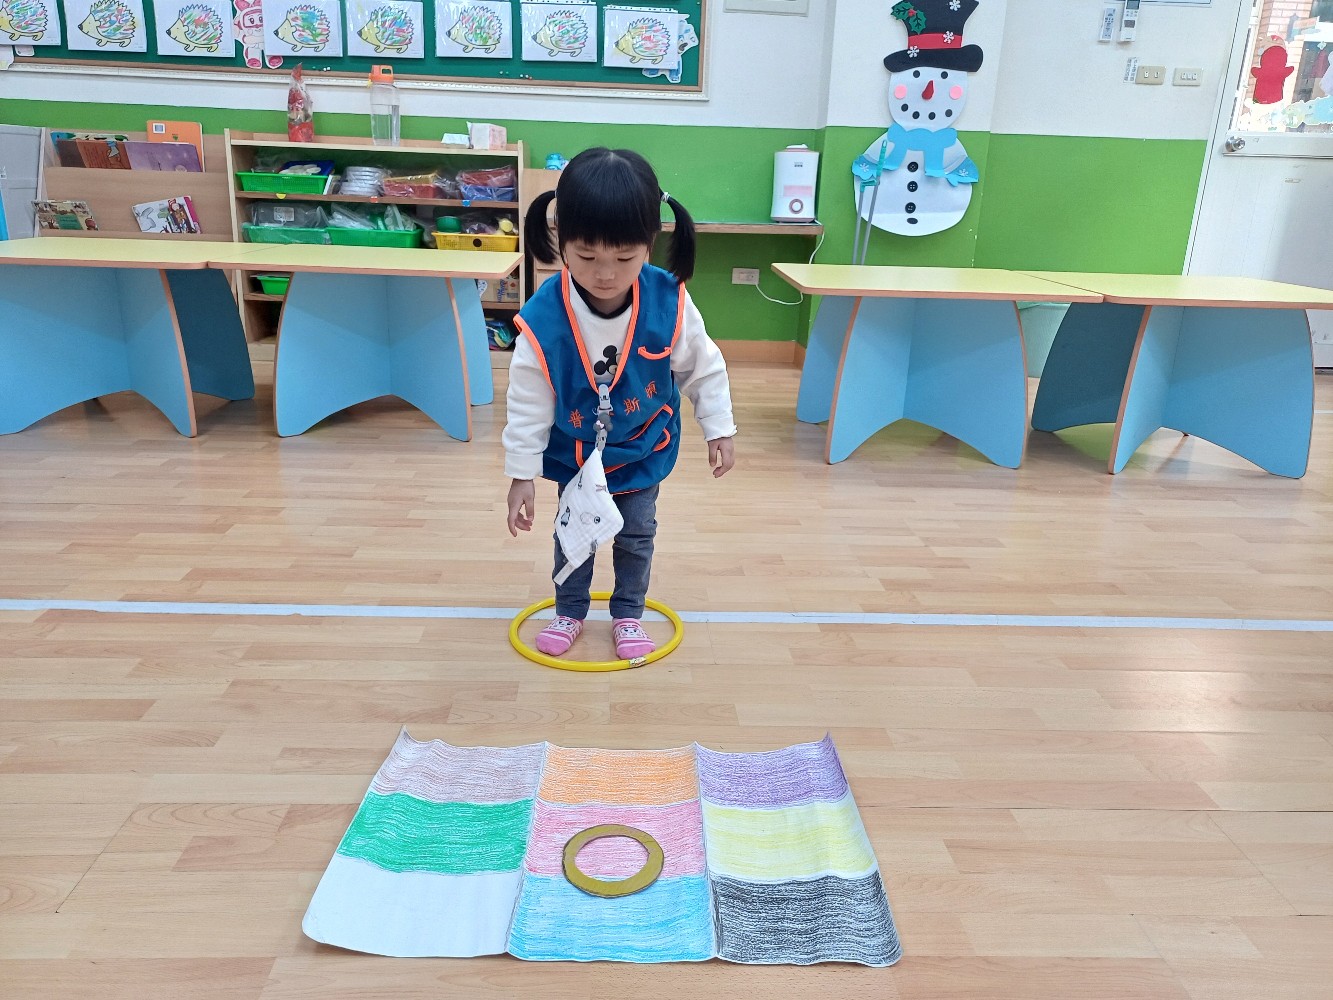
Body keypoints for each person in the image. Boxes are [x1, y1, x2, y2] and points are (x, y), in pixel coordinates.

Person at [504, 147, 736, 659]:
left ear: (650, 244)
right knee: (574, 533)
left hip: (641, 447)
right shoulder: (544, 315)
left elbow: (703, 365)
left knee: (636, 533)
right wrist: (521, 473)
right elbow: (527, 400)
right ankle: (569, 610)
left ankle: (628, 613)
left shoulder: (670, 299)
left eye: (625, 258)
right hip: (575, 452)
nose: (605, 274)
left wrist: (719, 426)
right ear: (562, 241)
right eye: (587, 257)